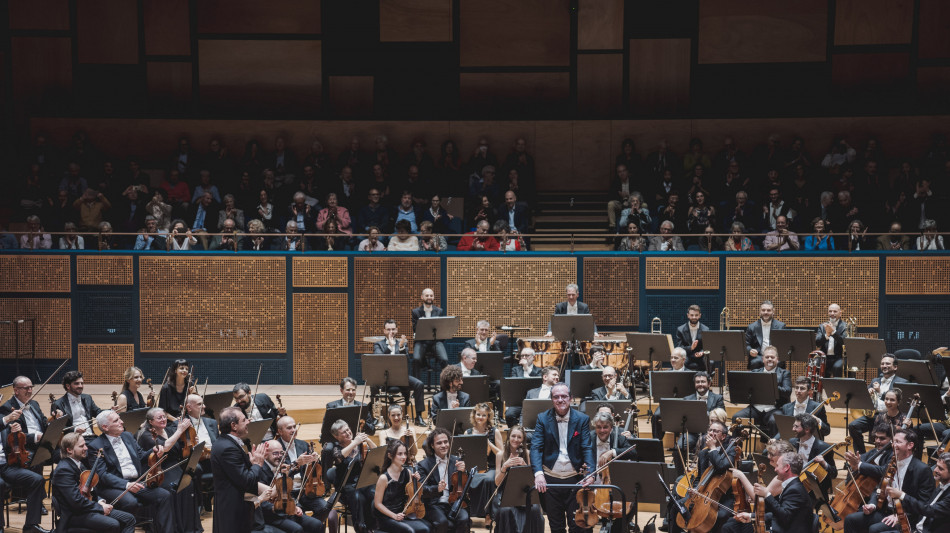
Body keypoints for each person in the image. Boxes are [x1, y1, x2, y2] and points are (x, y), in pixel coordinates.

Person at [87, 410, 176, 533]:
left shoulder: (127, 436)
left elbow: (141, 456)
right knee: (130, 502)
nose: (122, 422)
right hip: (113, 486)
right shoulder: (95, 446)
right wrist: (126, 485)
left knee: (164, 495)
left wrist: (154, 451)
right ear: (105, 427)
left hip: (136, 482)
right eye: (116, 420)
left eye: (120, 419)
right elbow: (102, 475)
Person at [530, 383, 595, 533]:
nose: (560, 400)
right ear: (552, 399)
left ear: (571, 398)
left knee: (578, 526)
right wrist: (538, 474)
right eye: (556, 397)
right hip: (551, 481)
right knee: (556, 526)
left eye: (564, 396)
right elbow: (536, 448)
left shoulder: (582, 419)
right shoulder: (542, 419)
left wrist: (590, 472)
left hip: (575, 480)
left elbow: (586, 447)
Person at [843, 428, 933, 533]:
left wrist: (901, 516)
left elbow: (923, 503)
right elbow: (878, 489)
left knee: (874, 529)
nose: (893, 445)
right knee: (850, 519)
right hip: (884, 511)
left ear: (910, 445)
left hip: (906, 517)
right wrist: (872, 505)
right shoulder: (891, 463)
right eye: (893, 441)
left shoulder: (922, 470)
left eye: (898, 442)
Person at [51, 432, 136, 533]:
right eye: (81, 446)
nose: (86, 448)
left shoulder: (80, 464)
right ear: (69, 450)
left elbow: (90, 490)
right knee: (113, 524)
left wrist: (100, 501)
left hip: (87, 509)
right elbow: (75, 501)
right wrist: (100, 508)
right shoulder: (64, 470)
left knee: (129, 519)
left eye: (85, 445)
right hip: (75, 515)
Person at [138, 407, 202, 533]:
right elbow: (165, 448)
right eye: (159, 418)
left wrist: (193, 441)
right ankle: (177, 527)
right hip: (159, 470)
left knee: (188, 483)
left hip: (174, 465)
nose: (163, 419)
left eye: (164, 416)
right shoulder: (146, 435)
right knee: (175, 487)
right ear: (151, 422)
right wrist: (179, 430)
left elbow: (182, 447)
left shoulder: (169, 429)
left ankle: (189, 527)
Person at [211, 406, 273, 533]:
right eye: (244, 420)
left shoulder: (226, 442)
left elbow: (236, 473)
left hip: (233, 507)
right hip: (233, 510)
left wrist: (250, 463)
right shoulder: (228, 448)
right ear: (233, 425)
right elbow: (246, 481)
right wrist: (257, 464)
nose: (248, 422)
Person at [668, 421, 736, 533]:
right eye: (710, 430)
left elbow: (720, 467)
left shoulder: (731, 451)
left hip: (724, 497)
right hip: (703, 493)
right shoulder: (703, 453)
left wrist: (713, 448)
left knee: (718, 516)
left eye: (716, 431)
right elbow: (700, 477)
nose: (711, 433)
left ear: (723, 436)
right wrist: (695, 488)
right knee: (676, 506)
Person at [0, 378, 50, 533]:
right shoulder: (5, 414)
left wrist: (14, 433)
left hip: (5, 465)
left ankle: (31, 526)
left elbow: (10, 444)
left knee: (37, 479)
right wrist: (7, 419)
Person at [722, 452, 812, 533]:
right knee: (730, 527)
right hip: (782, 526)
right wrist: (751, 516)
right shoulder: (792, 486)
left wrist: (767, 494)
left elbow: (784, 516)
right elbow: (777, 514)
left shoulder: (795, 490)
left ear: (786, 467)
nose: (775, 469)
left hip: (786, 529)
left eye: (777, 466)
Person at [273, 416, 332, 523]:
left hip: (306, 490)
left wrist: (314, 460)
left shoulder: (303, 445)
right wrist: (296, 463)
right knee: (300, 516)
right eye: (289, 428)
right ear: (280, 431)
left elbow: (315, 469)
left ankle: (313, 527)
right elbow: (278, 474)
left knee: (325, 507)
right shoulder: (276, 448)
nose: (293, 430)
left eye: (294, 427)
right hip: (288, 492)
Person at [258, 440, 325, 533]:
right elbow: (262, 503)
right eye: (275, 453)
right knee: (297, 529)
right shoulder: (260, 471)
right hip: (272, 515)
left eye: (281, 453)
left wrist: (295, 506)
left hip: (288, 511)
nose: (279, 456)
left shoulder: (283, 467)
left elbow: (288, 492)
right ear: (265, 454)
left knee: (317, 525)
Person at [323, 419, 376, 533]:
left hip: (363, 483)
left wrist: (368, 439)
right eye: (343, 432)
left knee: (374, 493)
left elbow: (377, 452)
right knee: (358, 498)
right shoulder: (336, 448)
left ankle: (375, 526)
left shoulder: (361, 444)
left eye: (348, 429)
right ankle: (361, 528)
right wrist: (354, 442)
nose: (348, 433)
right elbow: (339, 457)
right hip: (347, 486)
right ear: (337, 436)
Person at [848, 354, 908, 455]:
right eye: (882, 363)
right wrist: (868, 393)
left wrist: (880, 392)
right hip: (874, 415)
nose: (884, 365)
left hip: (890, 417)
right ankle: (862, 456)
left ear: (895, 367)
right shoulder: (875, 380)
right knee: (853, 426)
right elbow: (865, 399)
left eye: (888, 363)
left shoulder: (902, 382)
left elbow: (896, 402)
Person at [415, 428, 471, 533]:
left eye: (446, 442)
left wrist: (464, 472)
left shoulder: (456, 461)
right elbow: (421, 489)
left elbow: (465, 485)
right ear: (432, 445)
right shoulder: (423, 465)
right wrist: (437, 488)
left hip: (453, 502)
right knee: (442, 522)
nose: (444, 445)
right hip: (434, 504)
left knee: (464, 518)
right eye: (439, 443)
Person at [372, 320, 426, 427]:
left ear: (396, 330)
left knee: (419, 384)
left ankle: (418, 417)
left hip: (401, 377)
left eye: (393, 329)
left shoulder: (403, 344)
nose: (391, 331)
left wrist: (401, 347)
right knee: (373, 383)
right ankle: (375, 417)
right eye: (388, 329)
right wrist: (389, 348)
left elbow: (407, 362)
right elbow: (378, 359)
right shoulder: (378, 344)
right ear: (384, 331)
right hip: (384, 378)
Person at [491, 425, 543, 532]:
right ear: (509, 436)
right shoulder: (500, 455)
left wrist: (524, 467)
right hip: (505, 492)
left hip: (523, 492)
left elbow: (531, 482)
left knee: (535, 510)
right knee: (506, 510)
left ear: (523, 439)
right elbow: (497, 483)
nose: (515, 439)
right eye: (513, 436)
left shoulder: (527, 454)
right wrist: (504, 467)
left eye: (519, 437)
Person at [373, 440, 432, 533]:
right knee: (410, 531)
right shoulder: (383, 478)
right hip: (387, 517)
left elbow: (409, 496)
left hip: (403, 513)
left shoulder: (407, 472)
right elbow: (377, 504)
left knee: (427, 528)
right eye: (399, 454)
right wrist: (394, 516)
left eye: (405, 453)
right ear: (390, 455)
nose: (404, 457)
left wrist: (414, 483)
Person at [885, 451, 950, 533]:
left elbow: (929, 510)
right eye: (936, 466)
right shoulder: (941, 485)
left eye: (940, 468)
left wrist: (902, 495)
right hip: (915, 527)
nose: (935, 470)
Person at [730, 346, 791, 430]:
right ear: (763, 359)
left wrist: (771, 384)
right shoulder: (755, 372)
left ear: (777, 359)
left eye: (772, 357)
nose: (769, 359)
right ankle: (736, 443)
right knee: (736, 418)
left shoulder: (785, 373)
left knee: (774, 421)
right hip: (756, 409)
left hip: (774, 409)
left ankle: (774, 443)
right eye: (767, 357)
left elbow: (787, 392)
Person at [652, 371, 724, 441]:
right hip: (691, 433)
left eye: (703, 382)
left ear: (709, 384)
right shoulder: (687, 398)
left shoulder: (718, 398)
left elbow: (721, 416)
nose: (700, 384)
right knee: (680, 447)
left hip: (710, 432)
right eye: (697, 382)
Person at [462, 403, 503, 523]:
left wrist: (489, 444)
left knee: (489, 480)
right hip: (473, 466)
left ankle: (488, 514)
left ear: (488, 417)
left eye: (483, 415)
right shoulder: (468, 432)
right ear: (474, 415)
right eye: (478, 414)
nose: (480, 417)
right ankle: (467, 513)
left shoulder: (494, 432)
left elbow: (502, 453)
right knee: (465, 479)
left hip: (490, 467)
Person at [789, 413, 837, 493]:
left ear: (807, 429)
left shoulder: (824, 448)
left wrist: (824, 463)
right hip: (793, 484)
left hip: (813, 490)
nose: (793, 429)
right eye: (794, 426)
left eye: (796, 427)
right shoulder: (792, 442)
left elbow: (834, 474)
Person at [51, 370, 103, 442]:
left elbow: (98, 412)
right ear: (68, 386)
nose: (80, 386)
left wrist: (111, 411)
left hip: (91, 436)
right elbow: (59, 427)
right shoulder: (58, 404)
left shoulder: (87, 398)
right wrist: (75, 430)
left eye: (82, 383)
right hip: (74, 440)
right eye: (77, 384)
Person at [410, 288, 449, 372]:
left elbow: (442, 329)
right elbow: (415, 329)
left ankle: (446, 384)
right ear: (422, 297)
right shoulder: (415, 312)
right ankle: (417, 384)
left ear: (433, 297)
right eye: (427, 295)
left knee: (444, 360)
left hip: (436, 341)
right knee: (416, 359)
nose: (429, 297)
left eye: (431, 295)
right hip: (421, 341)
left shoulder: (439, 311)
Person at [744, 301, 786, 369]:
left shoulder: (781, 326)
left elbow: (784, 345)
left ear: (773, 312)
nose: (766, 312)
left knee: (779, 362)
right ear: (760, 312)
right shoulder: (751, 327)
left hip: (774, 356)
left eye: (768, 310)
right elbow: (746, 344)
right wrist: (750, 350)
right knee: (754, 362)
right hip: (758, 356)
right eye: (763, 310)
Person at [816, 303, 848, 377]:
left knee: (837, 367)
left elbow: (844, 342)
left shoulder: (845, 326)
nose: (832, 313)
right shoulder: (822, 326)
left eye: (835, 311)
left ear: (840, 313)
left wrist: (833, 332)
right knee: (815, 364)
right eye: (830, 311)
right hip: (824, 357)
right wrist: (827, 335)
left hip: (840, 357)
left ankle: (837, 388)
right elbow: (818, 343)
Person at [674, 305, 710, 371]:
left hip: (700, 357)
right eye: (692, 315)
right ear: (688, 315)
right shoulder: (680, 330)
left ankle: (707, 380)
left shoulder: (706, 329)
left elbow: (707, 346)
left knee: (710, 362)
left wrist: (702, 352)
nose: (694, 317)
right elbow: (679, 347)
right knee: (679, 361)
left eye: (696, 315)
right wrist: (690, 348)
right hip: (687, 355)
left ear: (700, 315)